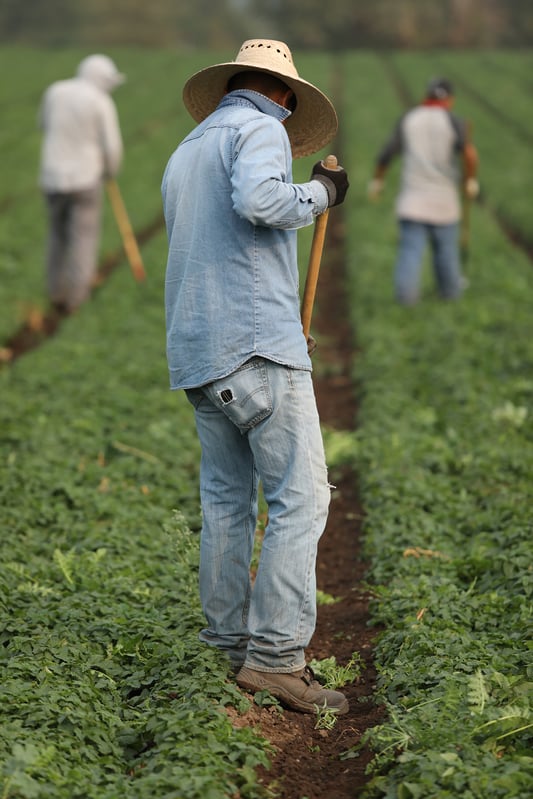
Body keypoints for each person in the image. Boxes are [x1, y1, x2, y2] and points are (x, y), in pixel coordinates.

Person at [162, 39, 349, 714]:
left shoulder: (187, 149)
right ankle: (274, 659)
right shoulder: (260, 128)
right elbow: (263, 203)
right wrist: (321, 191)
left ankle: (225, 642)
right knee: (302, 499)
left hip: (197, 351)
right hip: (255, 348)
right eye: (290, 104)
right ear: (282, 95)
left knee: (226, 502)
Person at [368, 77, 479, 306]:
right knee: (446, 254)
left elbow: (386, 154)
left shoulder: (409, 119)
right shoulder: (454, 121)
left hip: (413, 200)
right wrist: (470, 180)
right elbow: (469, 155)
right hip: (445, 202)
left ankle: (406, 302)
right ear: (449, 99)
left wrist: (378, 181)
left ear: (426, 96)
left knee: (410, 253)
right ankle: (450, 299)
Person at [38, 54, 125, 313]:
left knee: (57, 235)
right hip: (86, 179)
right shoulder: (101, 101)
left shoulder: (55, 91)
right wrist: (110, 171)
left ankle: (56, 292)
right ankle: (77, 300)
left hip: (52, 176)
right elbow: (112, 146)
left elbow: (42, 124)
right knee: (83, 239)